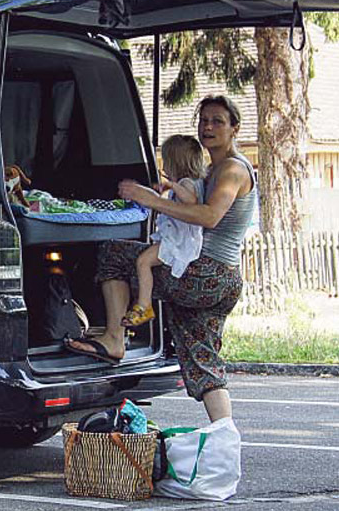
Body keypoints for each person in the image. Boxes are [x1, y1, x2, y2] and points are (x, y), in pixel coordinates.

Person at [65, 95, 258, 424]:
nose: (208, 126)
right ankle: (226, 438)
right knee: (203, 360)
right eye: (204, 120)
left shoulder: (232, 169)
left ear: (235, 128)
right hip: (221, 278)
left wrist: (149, 199)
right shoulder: (213, 169)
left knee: (114, 253)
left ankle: (114, 338)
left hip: (203, 275)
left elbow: (209, 216)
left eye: (218, 121)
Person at [123, 134, 206, 327]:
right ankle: (144, 305)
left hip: (179, 243)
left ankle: (144, 305)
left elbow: (190, 201)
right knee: (144, 261)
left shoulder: (187, 183)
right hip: (175, 240)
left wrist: (172, 185)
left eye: (167, 161)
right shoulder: (188, 183)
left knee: (143, 261)